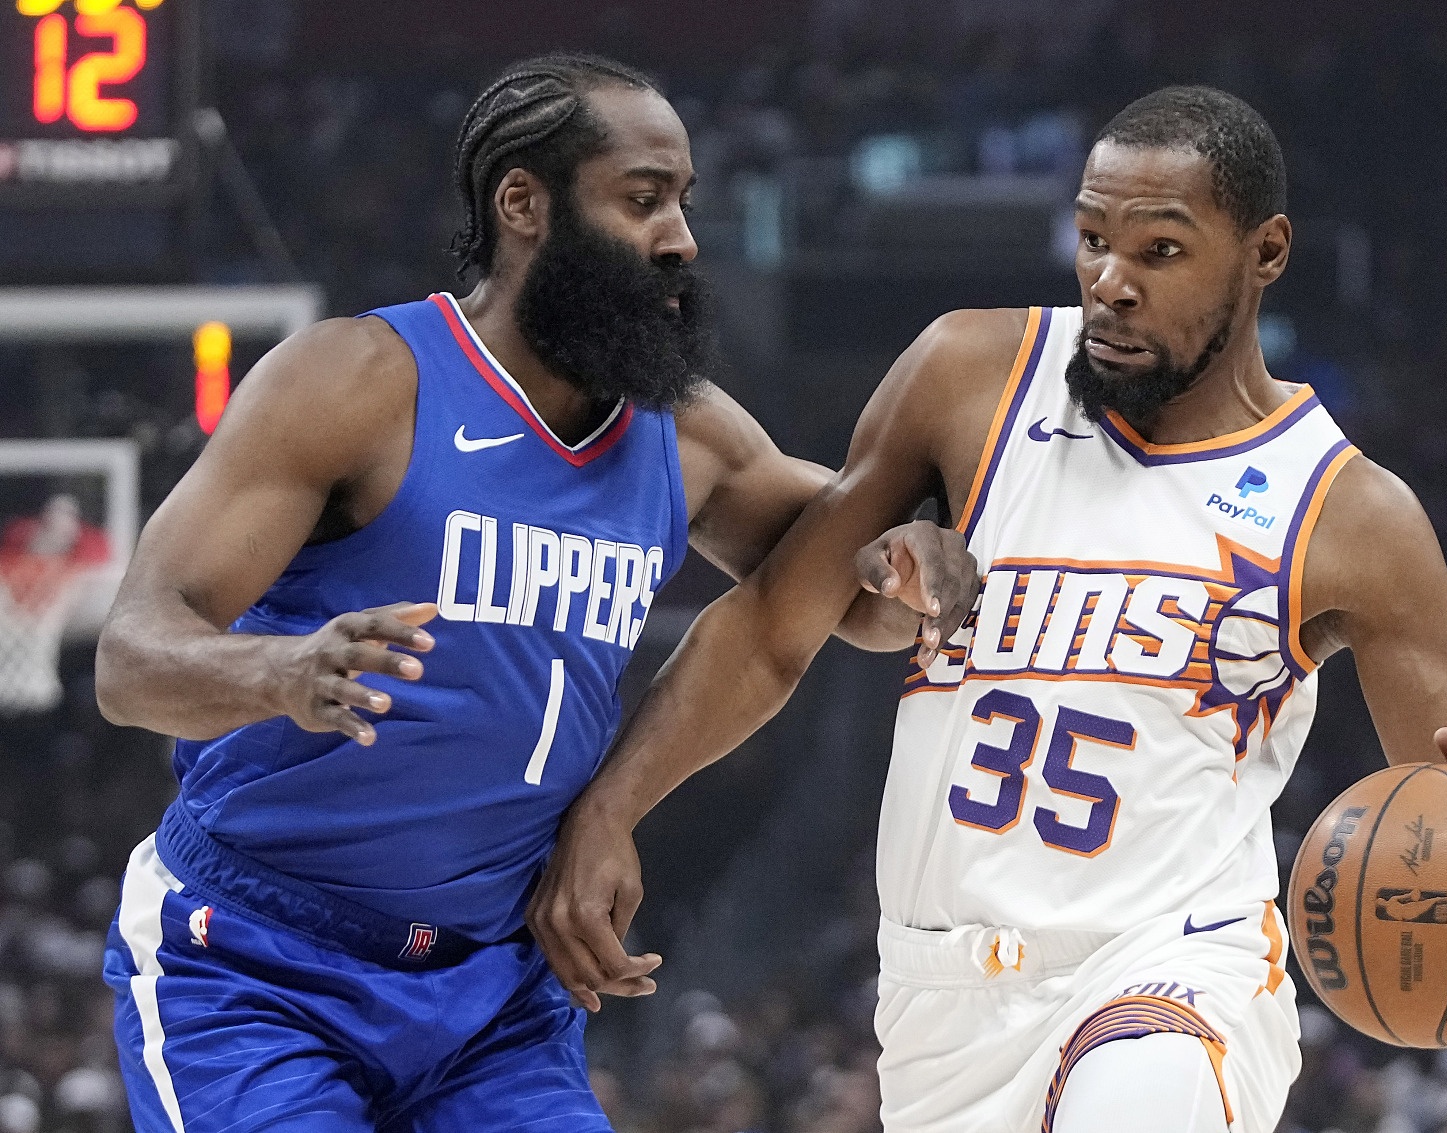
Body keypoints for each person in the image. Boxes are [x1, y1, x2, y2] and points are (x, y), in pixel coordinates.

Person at [533, 86, 1447, 1133]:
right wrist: (612, 807)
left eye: (1160, 250)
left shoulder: (1352, 513)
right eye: (1093, 240)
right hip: (939, 999)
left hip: (1177, 968)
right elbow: (775, 623)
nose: (1111, 282)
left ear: (1265, 252)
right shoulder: (968, 374)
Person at [92, 53, 973, 1133]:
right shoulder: (357, 380)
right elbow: (131, 658)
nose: (680, 239)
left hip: (493, 995)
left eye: (683, 203)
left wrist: (911, 561)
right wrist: (279, 671)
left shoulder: (687, 433)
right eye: (642, 200)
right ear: (524, 204)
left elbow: (858, 605)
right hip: (256, 964)